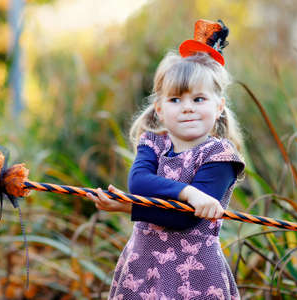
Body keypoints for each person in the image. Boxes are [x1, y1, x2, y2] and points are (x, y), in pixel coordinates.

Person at [86, 19, 245, 300]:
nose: (187, 108)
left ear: (219, 106)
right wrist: (189, 193)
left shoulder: (220, 156)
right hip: (143, 267)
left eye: (198, 99)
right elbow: (139, 183)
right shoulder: (153, 142)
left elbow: (183, 217)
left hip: (196, 276)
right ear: (159, 109)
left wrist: (129, 208)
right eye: (175, 100)